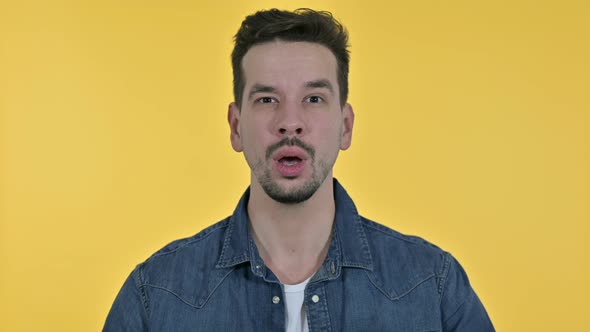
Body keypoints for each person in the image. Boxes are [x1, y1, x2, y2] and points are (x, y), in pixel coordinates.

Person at [104, 8, 495, 331]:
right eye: (267, 99)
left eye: (313, 98)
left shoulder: (433, 287)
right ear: (236, 127)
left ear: (345, 126)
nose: (290, 121)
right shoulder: (155, 295)